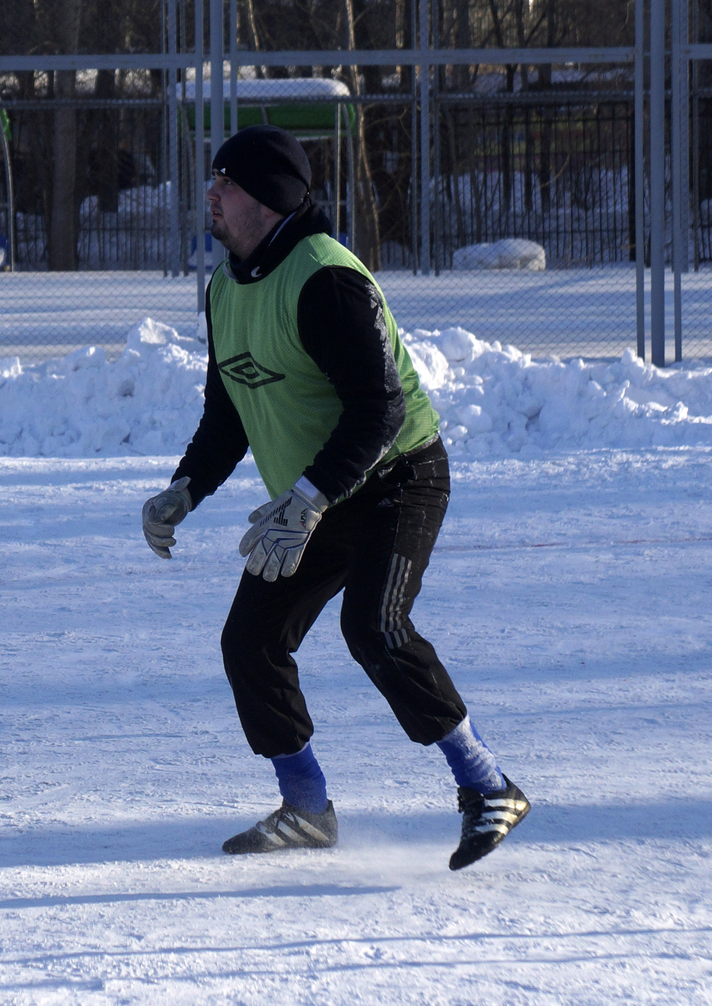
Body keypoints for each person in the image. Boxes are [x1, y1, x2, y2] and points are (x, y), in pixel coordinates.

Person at [141, 125, 529, 870]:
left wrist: (312, 495)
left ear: (267, 200)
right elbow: (230, 407)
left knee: (373, 629)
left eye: (225, 183)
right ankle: (306, 808)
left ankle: (487, 787)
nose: (209, 196)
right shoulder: (227, 284)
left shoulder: (326, 278)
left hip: (396, 478)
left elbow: (378, 411)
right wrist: (185, 486)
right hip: (314, 495)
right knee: (249, 640)